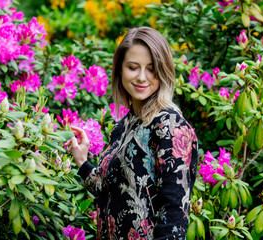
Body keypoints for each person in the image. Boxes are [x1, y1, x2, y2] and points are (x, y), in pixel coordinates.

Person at [66, 26, 198, 240]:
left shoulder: (169, 125)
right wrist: (83, 163)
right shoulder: (123, 126)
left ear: (163, 70)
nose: (142, 77)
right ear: (120, 70)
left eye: (152, 69)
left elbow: (174, 215)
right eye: (133, 67)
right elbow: (111, 191)